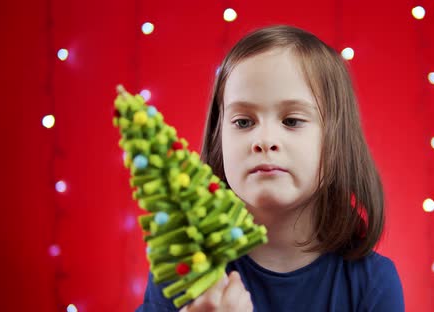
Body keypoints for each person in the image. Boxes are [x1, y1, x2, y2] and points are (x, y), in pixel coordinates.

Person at [137, 24, 404, 312]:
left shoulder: (372, 283)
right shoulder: (184, 268)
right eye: (243, 122)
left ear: (336, 141)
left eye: (291, 121)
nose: (263, 140)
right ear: (219, 140)